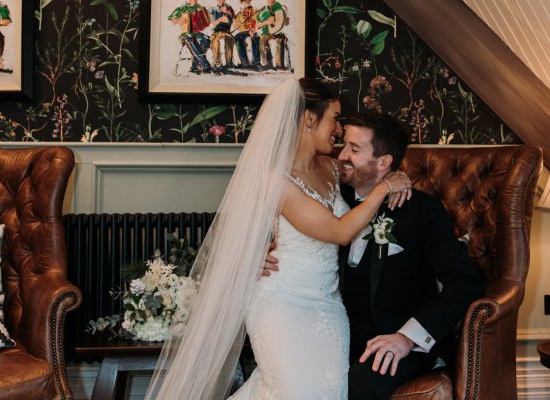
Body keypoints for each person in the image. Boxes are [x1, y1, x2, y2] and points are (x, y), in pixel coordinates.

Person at [144, 79, 412, 400]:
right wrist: (251, 254)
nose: (338, 130)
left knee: (327, 391)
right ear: (309, 119)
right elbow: (339, 232)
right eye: (334, 118)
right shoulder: (274, 179)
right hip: (281, 302)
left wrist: (399, 177)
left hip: (328, 307)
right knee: (292, 391)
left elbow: (374, 171)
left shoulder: (331, 166)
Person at [265, 111, 484, 399]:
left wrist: (408, 338)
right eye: (343, 144)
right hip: (334, 333)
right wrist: (260, 251)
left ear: (384, 162)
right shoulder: (331, 197)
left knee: (356, 387)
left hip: (397, 341)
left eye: (354, 149)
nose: (341, 155)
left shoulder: (421, 211)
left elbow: (466, 281)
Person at [168, 0, 212, 73]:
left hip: (197, 33)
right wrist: (179, 20)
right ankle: (206, 65)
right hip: (186, 34)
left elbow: (207, 23)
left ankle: (195, 65)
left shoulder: (200, 8)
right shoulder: (182, 9)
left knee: (205, 40)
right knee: (190, 39)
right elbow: (173, 20)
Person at [232, 0, 259, 68]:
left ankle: (256, 62)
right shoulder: (239, 13)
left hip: (252, 30)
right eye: (244, 2)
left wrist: (253, 29)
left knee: (255, 37)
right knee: (237, 37)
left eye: (247, 2)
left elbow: (257, 22)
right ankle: (244, 62)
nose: (246, 4)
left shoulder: (254, 10)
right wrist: (239, 18)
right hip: (243, 32)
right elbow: (235, 26)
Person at [208, 0, 234, 68]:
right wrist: (220, 20)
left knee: (229, 38)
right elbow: (212, 23)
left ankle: (229, 63)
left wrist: (226, 13)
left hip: (226, 31)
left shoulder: (229, 8)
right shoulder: (212, 9)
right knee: (215, 41)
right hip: (216, 32)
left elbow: (230, 21)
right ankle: (217, 62)